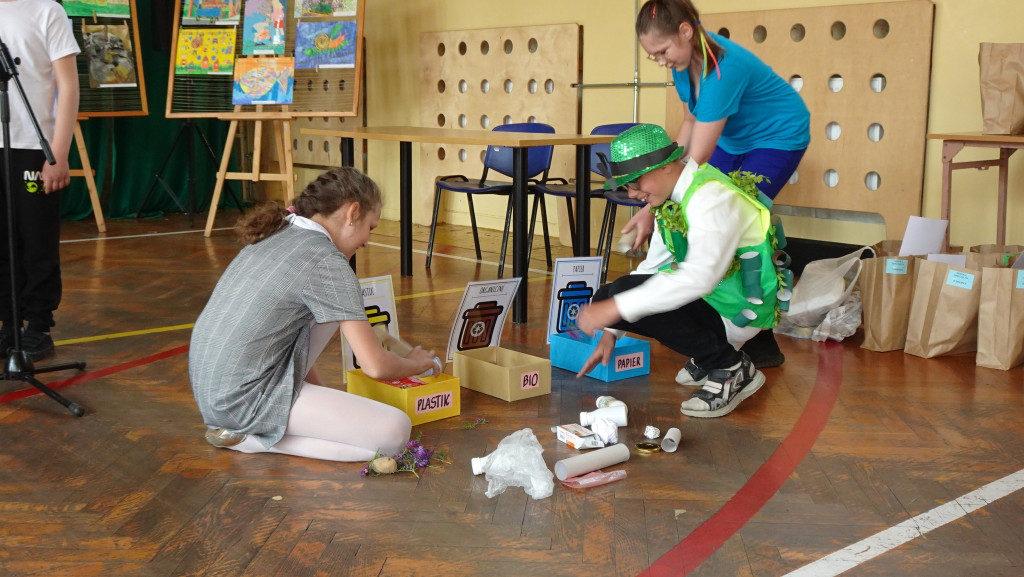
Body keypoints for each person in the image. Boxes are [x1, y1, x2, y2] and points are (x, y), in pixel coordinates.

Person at [189, 168, 440, 462]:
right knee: (395, 432)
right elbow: (375, 365)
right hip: (242, 401)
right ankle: (251, 439)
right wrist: (415, 364)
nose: (367, 241)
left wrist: (329, 408)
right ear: (352, 212)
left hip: (213, 393)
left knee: (329, 314)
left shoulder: (281, 231)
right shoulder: (326, 261)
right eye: (370, 228)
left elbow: (295, 337)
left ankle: (246, 431)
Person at [621, 0, 810, 372]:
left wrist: (652, 203)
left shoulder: (723, 69)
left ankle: (755, 337)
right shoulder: (682, 63)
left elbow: (695, 162)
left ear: (685, 32)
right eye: (652, 56)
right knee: (691, 210)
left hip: (778, 137)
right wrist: (656, 191)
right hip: (733, 138)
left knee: (733, 223)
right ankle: (718, 330)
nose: (660, 61)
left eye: (662, 51)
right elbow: (689, 125)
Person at [577, 124, 784, 418]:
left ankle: (730, 366)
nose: (633, 194)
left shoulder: (710, 197)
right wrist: (611, 327)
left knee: (621, 297)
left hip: (738, 309)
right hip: (716, 299)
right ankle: (710, 351)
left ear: (665, 166)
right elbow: (652, 267)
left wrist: (618, 307)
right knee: (609, 294)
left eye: (635, 182)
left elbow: (700, 278)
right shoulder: (671, 199)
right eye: (627, 186)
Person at [0, 0, 81, 360]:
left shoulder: (47, 10)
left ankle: (37, 325)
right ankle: (8, 323)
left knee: (36, 238)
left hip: (33, 146)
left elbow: (68, 85)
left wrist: (58, 152)